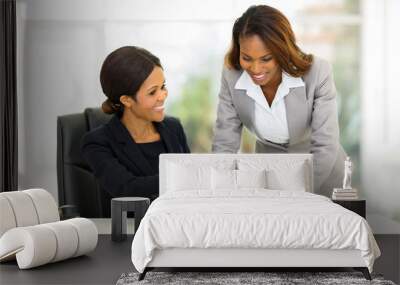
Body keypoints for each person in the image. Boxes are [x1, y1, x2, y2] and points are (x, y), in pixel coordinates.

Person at [212, 5, 347, 196]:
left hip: (321, 177)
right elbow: (224, 143)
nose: (256, 69)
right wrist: (221, 191)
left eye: (266, 58)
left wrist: (301, 193)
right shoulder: (232, 76)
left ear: (282, 50)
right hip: (268, 176)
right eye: (246, 58)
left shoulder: (317, 72)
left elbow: (325, 144)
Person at [81, 46, 190, 209]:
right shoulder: (98, 143)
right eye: (152, 92)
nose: (163, 96)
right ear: (126, 100)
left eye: (163, 86)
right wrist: (185, 178)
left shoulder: (174, 128)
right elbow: (128, 190)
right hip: (133, 230)